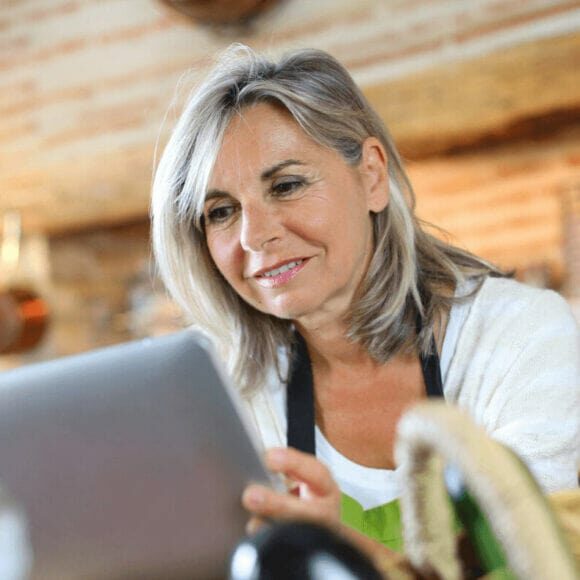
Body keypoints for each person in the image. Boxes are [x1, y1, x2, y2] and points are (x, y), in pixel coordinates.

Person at [151, 44, 579, 562]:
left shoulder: (521, 335)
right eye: (220, 211)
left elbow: (532, 559)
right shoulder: (221, 386)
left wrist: (337, 549)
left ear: (372, 176)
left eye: (286, 185)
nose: (254, 236)